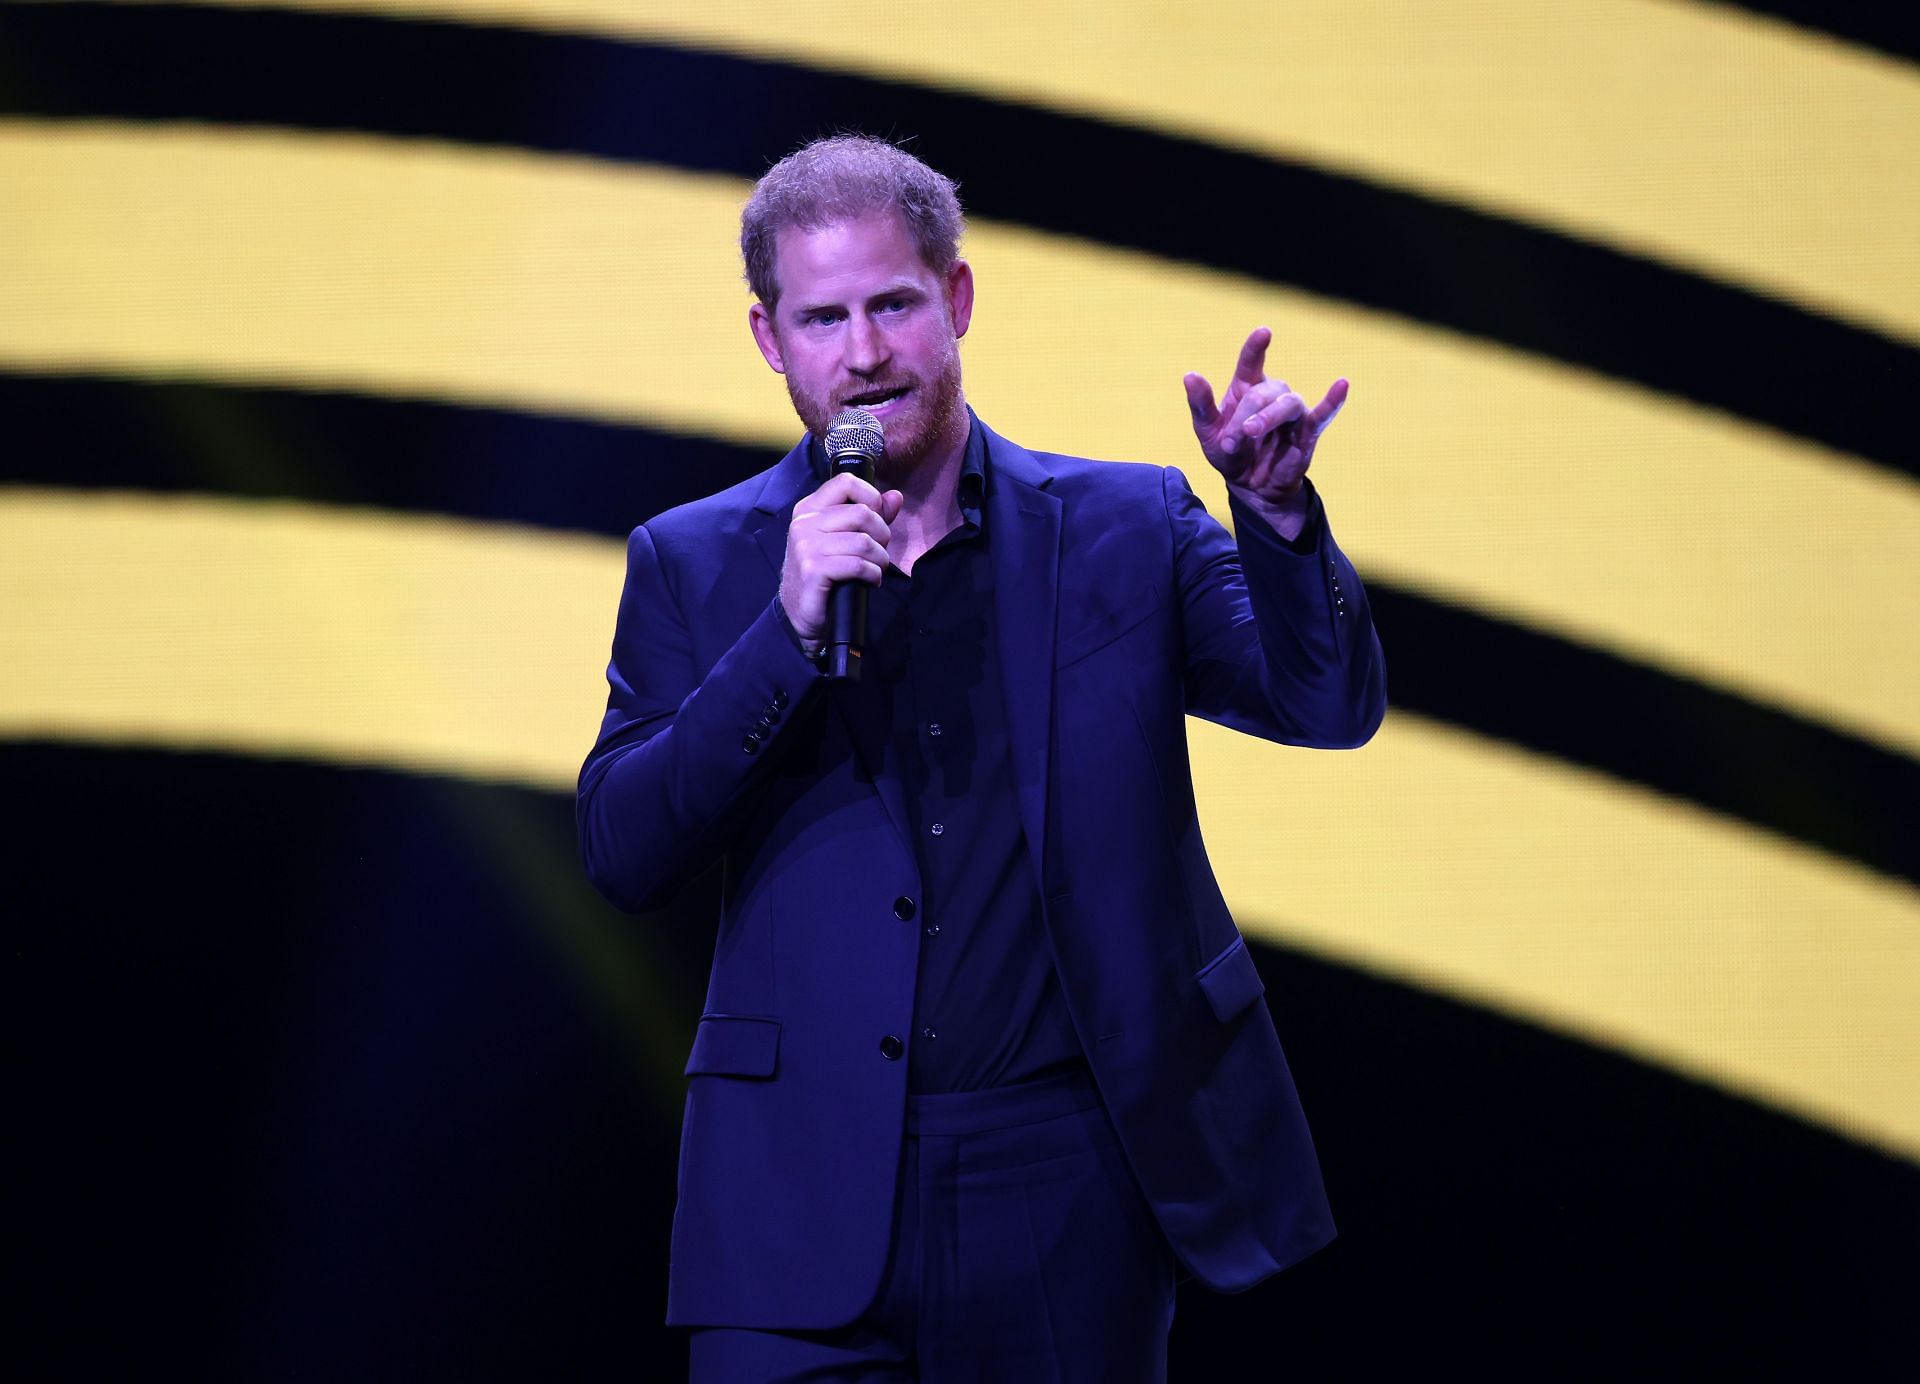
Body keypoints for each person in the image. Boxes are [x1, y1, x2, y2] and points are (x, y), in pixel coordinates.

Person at [577, 134, 1385, 1382]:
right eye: (823, 317)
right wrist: (782, 636)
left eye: (894, 304)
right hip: (795, 1194)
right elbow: (624, 849)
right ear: (767, 337)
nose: (863, 353)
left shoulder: (1127, 524)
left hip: (1065, 1182)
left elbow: (1322, 704)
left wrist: (1275, 520)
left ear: (956, 300)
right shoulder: (694, 559)